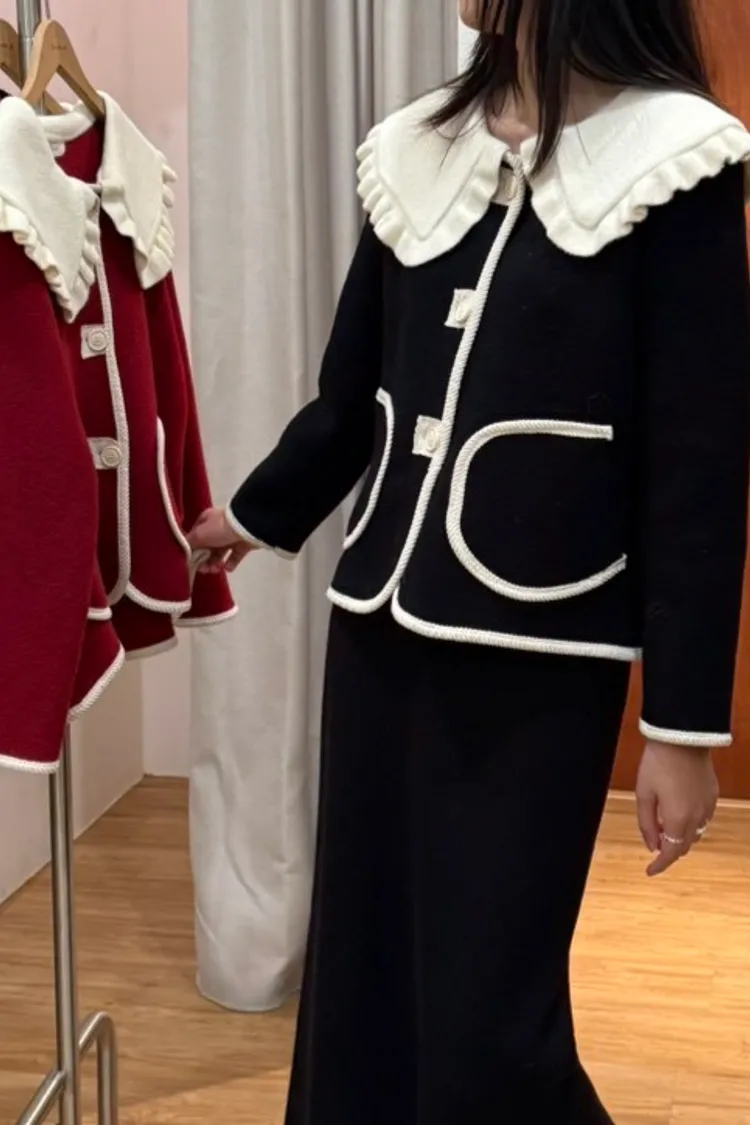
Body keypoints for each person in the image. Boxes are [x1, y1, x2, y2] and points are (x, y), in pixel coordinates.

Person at [188, 0, 750, 1120]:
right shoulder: (418, 148)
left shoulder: (677, 158)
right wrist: (254, 513)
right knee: (361, 971)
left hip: (541, 657)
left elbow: (697, 464)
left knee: (494, 1008)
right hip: (378, 631)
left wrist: (682, 731)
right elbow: (351, 394)